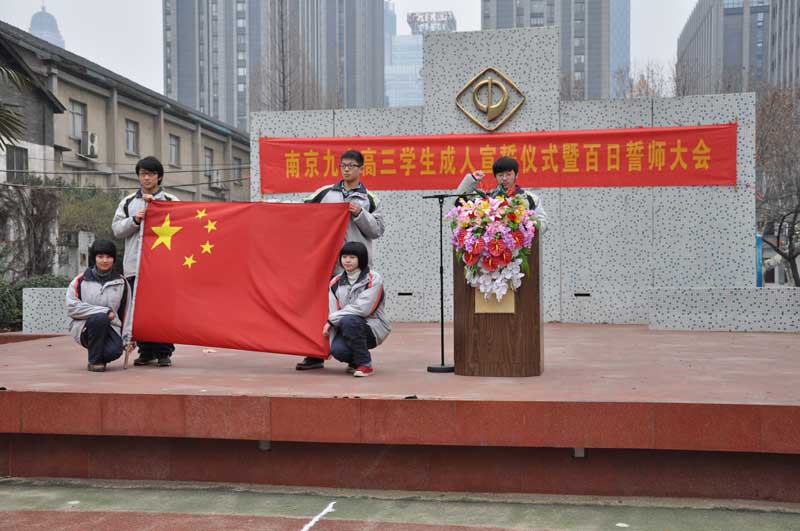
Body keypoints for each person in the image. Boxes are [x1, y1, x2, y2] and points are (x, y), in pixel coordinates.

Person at [296, 149, 386, 370]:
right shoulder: (325, 193)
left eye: (351, 166)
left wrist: (360, 214)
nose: (346, 169)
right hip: (326, 263)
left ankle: (355, 356)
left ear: (361, 169)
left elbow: (377, 230)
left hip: (355, 267)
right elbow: (300, 212)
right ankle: (315, 354)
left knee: (351, 312)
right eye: (343, 165)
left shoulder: (369, 199)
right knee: (319, 309)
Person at [112, 156, 179, 367]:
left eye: (150, 174)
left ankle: (163, 351)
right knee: (138, 311)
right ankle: (146, 351)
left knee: (162, 309)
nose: (146, 178)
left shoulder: (171, 200)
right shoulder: (129, 202)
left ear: (159, 176)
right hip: (135, 265)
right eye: (142, 174)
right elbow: (117, 229)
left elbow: (183, 227)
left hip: (162, 266)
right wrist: (134, 220)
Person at [320, 241, 391, 377]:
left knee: (349, 320)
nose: (347, 260)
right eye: (344, 257)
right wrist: (332, 335)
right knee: (338, 350)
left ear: (361, 259)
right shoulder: (335, 282)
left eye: (352, 257)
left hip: (373, 327)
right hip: (347, 326)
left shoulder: (373, 279)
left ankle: (365, 364)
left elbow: (363, 309)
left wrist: (331, 321)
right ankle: (356, 362)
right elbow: (333, 310)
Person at [66, 240, 132, 372]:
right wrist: (104, 312)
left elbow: (126, 312)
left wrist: (127, 338)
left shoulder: (121, 282)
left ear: (114, 259)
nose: (105, 260)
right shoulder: (80, 280)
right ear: (94, 258)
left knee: (115, 351)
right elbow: (72, 307)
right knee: (100, 318)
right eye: (100, 257)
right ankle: (94, 362)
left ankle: (97, 355)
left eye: (109, 257)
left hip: (112, 327)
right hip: (84, 327)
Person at [455, 156, 548, 232]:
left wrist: (525, 224)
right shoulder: (488, 199)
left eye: (508, 174)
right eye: (500, 175)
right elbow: (458, 202)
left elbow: (543, 224)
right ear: (495, 177)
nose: (504, 178)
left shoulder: (530, 198)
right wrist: (472, 179)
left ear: (516, 175)